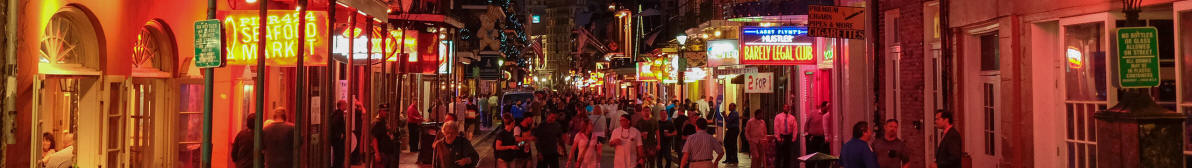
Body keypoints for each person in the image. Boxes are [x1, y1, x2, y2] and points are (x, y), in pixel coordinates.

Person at [330, 101, 348, 168]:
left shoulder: (337, 113)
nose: (346, 106)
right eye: (345, 105)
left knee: (338, 154)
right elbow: (335, 124)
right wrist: (340, 134)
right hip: (338, 139)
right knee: (339, 155)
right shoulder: (339, 114)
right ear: (341, 105)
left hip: (336, 139)